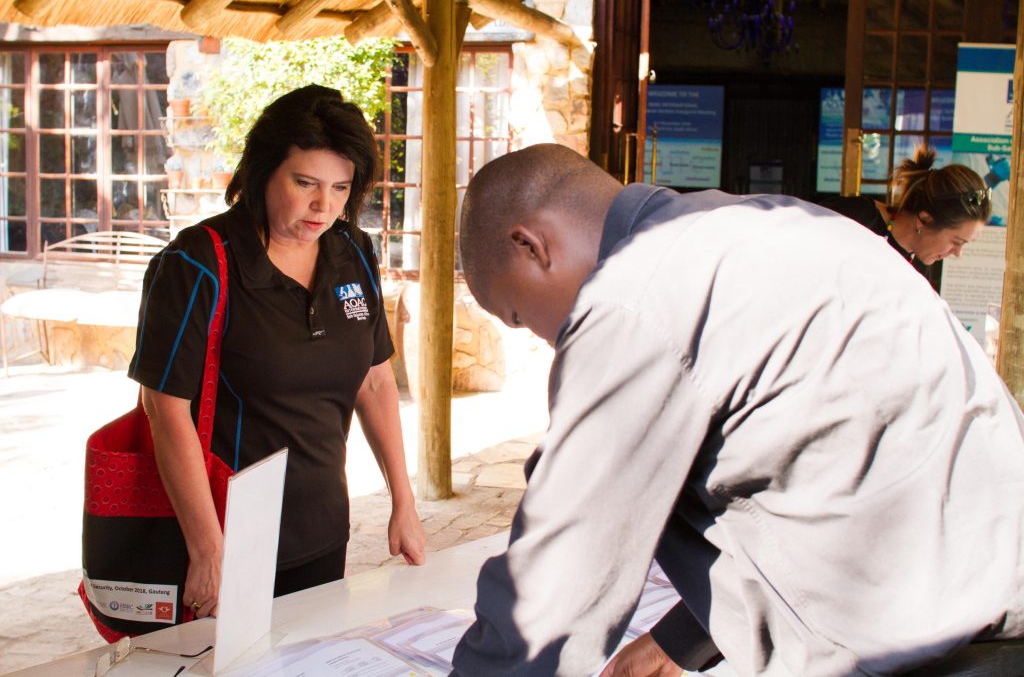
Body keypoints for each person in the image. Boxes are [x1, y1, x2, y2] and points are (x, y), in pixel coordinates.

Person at [450, 143, 1024, 676]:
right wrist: (680, 640)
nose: (542, 338)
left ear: (531, 245)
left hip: (914, 649)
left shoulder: (633, 297)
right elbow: (823, 468)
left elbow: (558, 574)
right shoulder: (781, 225)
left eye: (517, 315)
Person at [129, 85, 425, 618]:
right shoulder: (197, 263)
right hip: (223, 537)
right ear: (264, 171)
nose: (323, 205)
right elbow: (164, 407)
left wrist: (403, 500)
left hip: (322, 529)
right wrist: (208, 548)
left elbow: (375, 378)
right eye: (305, 183)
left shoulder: (353, 251)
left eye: (340, 187)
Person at [819, 146, 990, 291]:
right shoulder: (855, 217)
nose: (958, 253)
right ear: (924, 219)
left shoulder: (919, 263)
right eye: (956, 241)